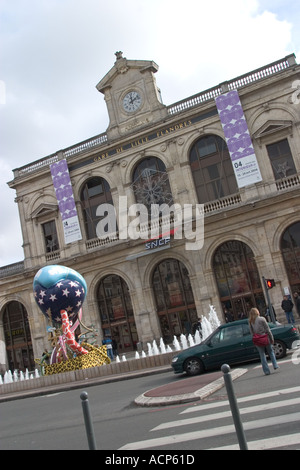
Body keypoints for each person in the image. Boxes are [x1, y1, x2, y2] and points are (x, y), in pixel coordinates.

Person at [249, 307, 279, 376]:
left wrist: (255, 339)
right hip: (265, 338)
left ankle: (266, 371)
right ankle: (275, 365)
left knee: (262, 355)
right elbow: (267, 329)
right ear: (257, 312)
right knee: (270, 352)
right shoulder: (262, 319)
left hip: (258, 340)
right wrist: (271, 338)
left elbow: (252, 332)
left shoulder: (251, 321)